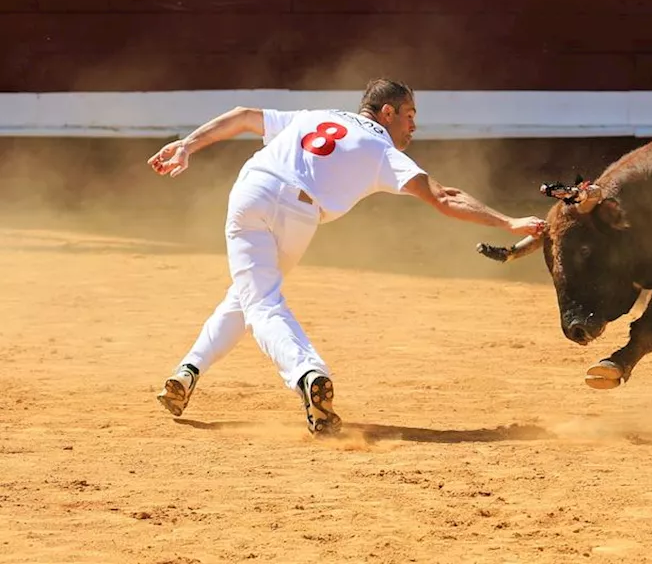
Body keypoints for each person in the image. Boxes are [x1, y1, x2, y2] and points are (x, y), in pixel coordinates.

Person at [149, 79, 546, 435]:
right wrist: (508, 222)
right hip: (300, 215)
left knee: (252, 296)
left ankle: (188, 372)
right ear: (386, 112)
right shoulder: (380, 149)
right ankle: (306, 372)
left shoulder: (316, 117)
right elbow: (445, 197)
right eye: (409, 116)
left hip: (254, 193)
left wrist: (188, 145)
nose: (413, 127)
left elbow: (243, 116)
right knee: (259, 300)